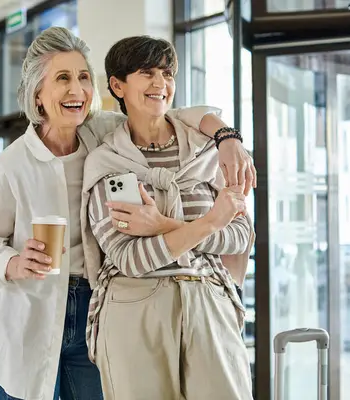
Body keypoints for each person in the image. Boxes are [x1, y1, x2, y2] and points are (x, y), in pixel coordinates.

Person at [0, 27, 257, 400]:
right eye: (62, 79)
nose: (77, 91)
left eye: (83, 77)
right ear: (38, 95)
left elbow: (174, 110)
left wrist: (227, 137)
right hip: (33, 308)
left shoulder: (104, 133)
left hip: (93, 303)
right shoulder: (9, 168)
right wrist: (13, 262)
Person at [81, 36, 255, 399]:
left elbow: (239, 235)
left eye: (167, 73)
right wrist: (209, 224)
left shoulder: (209, 152)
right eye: (146, 73)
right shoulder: (110, 162)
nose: (160, 83)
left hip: (207, 296)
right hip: (134, 305)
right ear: (117, 85)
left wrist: (164, 227)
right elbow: (129, 259)